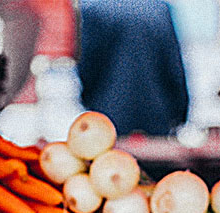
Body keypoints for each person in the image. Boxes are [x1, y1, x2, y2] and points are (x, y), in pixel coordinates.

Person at [78, 0, 189, 137]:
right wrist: (180, 113)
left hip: (107, 116)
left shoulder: (93, 9)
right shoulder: (160, 9)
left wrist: (88, 102)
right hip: (157, 115)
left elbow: (87, 65)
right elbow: (173, 69)